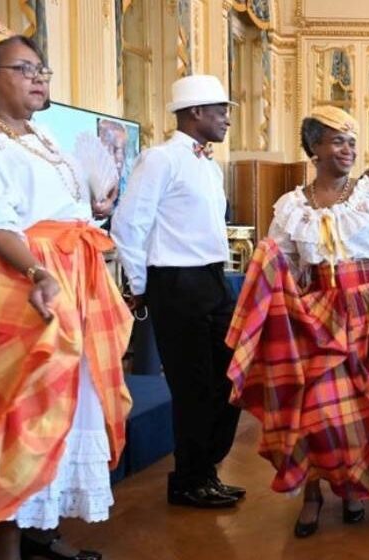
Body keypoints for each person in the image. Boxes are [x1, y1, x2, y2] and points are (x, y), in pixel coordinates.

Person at [0, 4, 130, 558]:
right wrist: (38, 272)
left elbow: (62, 206)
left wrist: (92, 208)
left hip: (72, 273)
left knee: (71, 405)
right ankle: (6, 547)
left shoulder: (40, 136)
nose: (40, 78)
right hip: (22, 279)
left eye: (42, 70)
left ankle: (40, 534)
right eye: (26, 69)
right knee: (23, 406)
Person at [224, 106, 369, 537]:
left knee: (366, 408)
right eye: (338, 141)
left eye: (352, 142)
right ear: (315, 148)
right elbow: (281, 262)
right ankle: (312, 492)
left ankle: (353, 488)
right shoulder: (290, 206)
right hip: (317, 315)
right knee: (317, 412)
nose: (348, 150)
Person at [112, 74, 244, 509]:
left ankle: (204, 469)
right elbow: (130, 223)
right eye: (220, 110)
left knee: (229, 380)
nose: (227, 119)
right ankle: (190, 479)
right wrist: (140, 286)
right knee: (192, 388)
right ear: (195, 113)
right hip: (175, 282)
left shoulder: (208, 164)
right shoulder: (159, 159)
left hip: (212, 279)